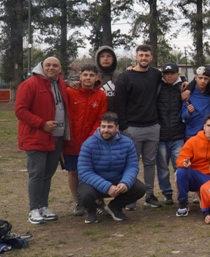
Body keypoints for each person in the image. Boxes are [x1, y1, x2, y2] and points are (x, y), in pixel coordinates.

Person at [15, 57, 70, 224]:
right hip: (36, 137)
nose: (51, 68)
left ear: (60, 69)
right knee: (37, 173)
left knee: (48, 174)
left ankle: (43, 206)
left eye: (55, 65)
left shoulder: (61, 84)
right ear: (42, 66)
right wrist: (42, 124)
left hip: (56, 138)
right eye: (48, 65)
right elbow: (20, 110)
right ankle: (33, 209)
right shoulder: (30, 84)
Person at [115, 44, 162, 210]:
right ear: (136, 57)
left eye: (147, 55)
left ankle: (149, 195)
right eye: (141, 55)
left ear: (151, 57)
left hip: (152, 126)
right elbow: (119, 104)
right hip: (132, 128)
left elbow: (174, 79)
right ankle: (131, 196)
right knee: (131, 164)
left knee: (150, 163)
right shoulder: (125, 77)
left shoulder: (156, 74)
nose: (144, 58)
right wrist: (124, 127)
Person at [77, 112, 146, 223]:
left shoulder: (127, 143)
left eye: (110, 127)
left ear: (117, 128)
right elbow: (84, 171)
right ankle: (91, 211)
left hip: (118, 180)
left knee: (140, 188)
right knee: (84, 193)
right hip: (95, 183)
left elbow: (132, 166)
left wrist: (125, 182)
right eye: (103, 126)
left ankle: (114, 207)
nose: (106, 130)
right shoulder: (88, 144)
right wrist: (107, 187)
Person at [64, 64, 107, 216]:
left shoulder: (101, 95)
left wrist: (91, 139)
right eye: (85, 75)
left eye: (91, 75)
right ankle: (79, 202)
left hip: (92, 142)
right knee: (73, 171)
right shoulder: (70, 92)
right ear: (80, 77)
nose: (88, 78)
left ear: (96, 78)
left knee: (95, 171)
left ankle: (98, 201)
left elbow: (100, 118)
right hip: (71, 141)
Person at [156, 63, 186, 205]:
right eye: (166, 73)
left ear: (177, 74)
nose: (169, 76)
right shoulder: (158, 87)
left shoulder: (182, 86)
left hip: (178, 134)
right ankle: (167, 193)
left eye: (172, 73)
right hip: (161, 135)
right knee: (162, 167)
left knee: (179, 166)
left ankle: (181, 192)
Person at [182, 66, 210, 139]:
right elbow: (182, 116)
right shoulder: (188, 94)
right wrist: (188, 112)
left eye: (206, 79)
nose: (203, 81)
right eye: (200, 78)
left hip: (209, 135)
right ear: (195, 78)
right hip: (191, 135)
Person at [94, 46, 122, 112]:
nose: (105, 59)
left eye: (109, 56)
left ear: (113, 59)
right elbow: (71, 81)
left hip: (116, 118)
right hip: (97, 118)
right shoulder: (91, 75)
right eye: (102, 56)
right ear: (98, 59)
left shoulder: (120, 76)